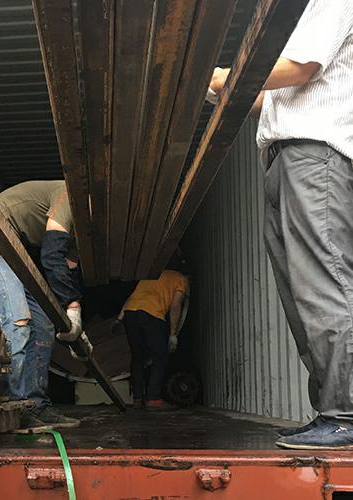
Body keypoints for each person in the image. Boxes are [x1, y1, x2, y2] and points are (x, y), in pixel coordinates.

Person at [210, 0, 353, 449]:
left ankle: (345, 415)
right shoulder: (299, 20)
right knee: (299, 293)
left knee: (323, 282)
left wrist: (223, 76)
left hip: (315, 153)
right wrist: (213, 89)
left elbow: (300, 68)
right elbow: (268, 100)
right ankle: (330, 411)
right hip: (287, 157)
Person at [0, 180, 83, 430]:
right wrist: (72, 306)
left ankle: (35, 404)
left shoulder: (82, 235)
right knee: (18, 319)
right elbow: (51, 255)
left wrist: (76, 322)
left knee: (43, 326)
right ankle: (14, 405)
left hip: (12, 255)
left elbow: (67, 276)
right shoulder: (70, 196)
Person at [116, 270, 190, 410]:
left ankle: (137, 399)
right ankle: (153, 398)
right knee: (160, 355)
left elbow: (133, 296)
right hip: (151, 314)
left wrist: (120, 318)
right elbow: (175, 306)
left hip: (130, 313)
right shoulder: (181, 279)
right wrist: (173, 334)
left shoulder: (151, 274)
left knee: (137, 356)